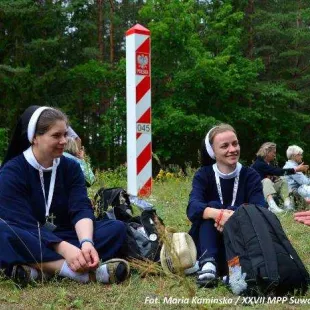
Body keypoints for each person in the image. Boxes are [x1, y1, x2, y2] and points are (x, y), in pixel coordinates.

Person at [0, 106, 129, 286]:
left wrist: (86, 243)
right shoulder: (12, 171)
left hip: (64, 234)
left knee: (116, 228)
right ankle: (78, 273)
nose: (64, 141)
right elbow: (19, 222)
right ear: (35, 138)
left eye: (65, 134)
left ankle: (35, 269)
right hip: (28, 234)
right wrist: (64, 249)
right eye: (56, 135)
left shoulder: (71, 167)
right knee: (3, 232)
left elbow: (81, 208)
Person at [187, 124, 265, 288]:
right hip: (208, 237)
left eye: (235, 143)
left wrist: (230, 217)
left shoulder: (250, 175)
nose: (232, 149)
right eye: (224, 146)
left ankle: (225, 268)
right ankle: (208, 265)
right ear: (213, 152)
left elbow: (260, 209)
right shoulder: (204, 174)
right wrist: (217, 214)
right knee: (211, 207)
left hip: (240, 237)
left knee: (217, 208)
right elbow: (193, 208)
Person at [251, 142, 309, 213]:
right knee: (266, 181)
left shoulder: (269, 163)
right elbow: (278, 171)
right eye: (274, 152)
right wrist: (295, 169)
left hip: (267, 190)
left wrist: (275, 179)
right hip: (257, 191)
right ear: (267, 152)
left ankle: (287, 205)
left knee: (283, 181)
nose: (275, 155)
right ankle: (273, 207)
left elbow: (274, 173)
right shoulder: (259, 163)